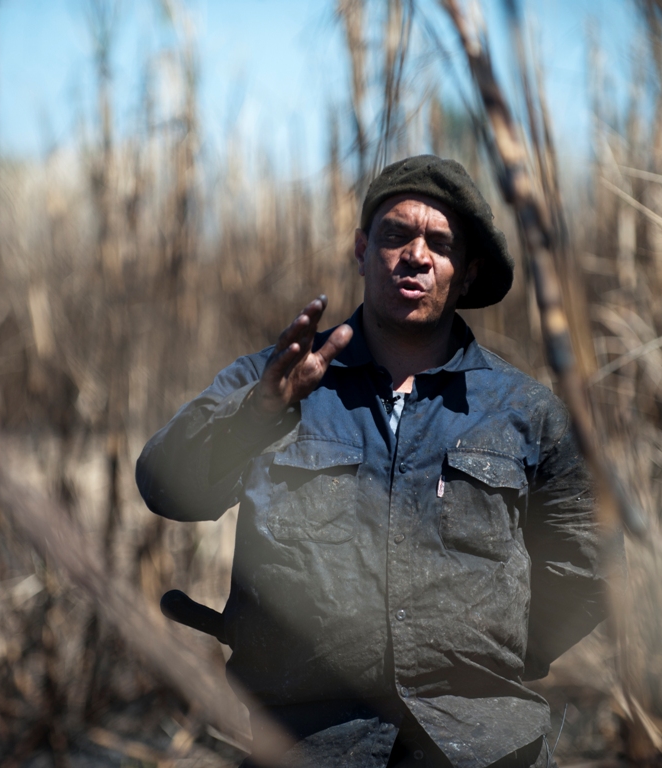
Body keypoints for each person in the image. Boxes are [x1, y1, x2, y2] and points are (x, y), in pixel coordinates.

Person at [136, 156, 610, 767]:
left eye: (441, 244)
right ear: (362, 250)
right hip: (310, 743)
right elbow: (165, 486)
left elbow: (587, 565)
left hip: (488, 748)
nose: (416, 255)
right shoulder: (277, 379)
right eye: (395, 235)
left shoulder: (524, 410)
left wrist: (488, 657)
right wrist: (256, 415)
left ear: (467, 272)